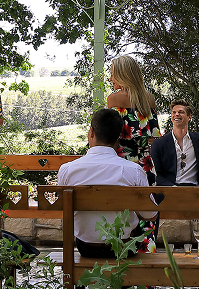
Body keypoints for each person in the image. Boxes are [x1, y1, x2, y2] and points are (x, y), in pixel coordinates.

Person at [56, 108, 153, 258]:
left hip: (86, 249)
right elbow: (150, 214)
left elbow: (63, 210)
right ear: (118, 138)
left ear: (91, 133)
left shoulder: (67, 170)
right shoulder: (134, 171)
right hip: (123, 248)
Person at [105, 55, 162, 245]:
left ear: (123, 75)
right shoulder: (149, 99)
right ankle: (147, 253)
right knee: (147, 224)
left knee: (121, 222)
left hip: (121, 167)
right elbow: (153, 137)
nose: (111, 79)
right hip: (146, 167)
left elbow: (110, 137)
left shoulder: (114, 99)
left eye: (113, 75)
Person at [151, 99, 199, 249]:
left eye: (181, 112)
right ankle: (150, 246)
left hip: (196, 190)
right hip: (170, 190)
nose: (176, 114)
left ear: (189, 116)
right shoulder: (159, 144)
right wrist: (172, 188)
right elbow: (157, 174)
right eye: (174, 112)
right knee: (150, 201)